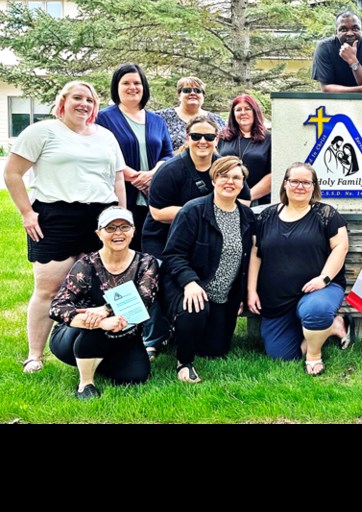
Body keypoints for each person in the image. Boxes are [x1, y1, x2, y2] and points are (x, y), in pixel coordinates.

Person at [4, 81, 125, 375]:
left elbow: (117, 178)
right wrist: (26, 213)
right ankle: (35, 355)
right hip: (56, 216)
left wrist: (122, 217)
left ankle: (113, 346)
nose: (84, 104)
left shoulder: (106, 136)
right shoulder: (42, 132)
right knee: (47, 288)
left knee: (108, 287)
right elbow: (12, 173)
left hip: (102, 215)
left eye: (89, 100)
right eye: (77, 98)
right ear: (63, 101)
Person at [140, 114, 251, 359]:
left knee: (214, 348)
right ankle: (154, 338)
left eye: (209, 137)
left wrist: (215, 211)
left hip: (209, 240)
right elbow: (157, 212)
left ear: (217, 139)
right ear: (187, 138)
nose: (203, 141)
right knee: (158, 276)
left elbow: (244, 200)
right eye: (197, 136)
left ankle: (197, 320)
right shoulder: (170, 170)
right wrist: (199, 213)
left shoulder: (225, 166)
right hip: (163, 238)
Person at [247, 163, 353, 375]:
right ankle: (331, 327)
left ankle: (314, 355)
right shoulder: (266, 217)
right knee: (281, 355)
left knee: (315, 311)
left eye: (306, 182)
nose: (300, 186)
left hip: (319, 289)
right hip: (277, 299)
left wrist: (324, 278)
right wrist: (251, 290)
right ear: (285, 184)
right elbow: (256, 253)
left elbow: (341, 246)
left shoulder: (326, 214)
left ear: (314, 187)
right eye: (294, 181)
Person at [48, 207, 159, 399]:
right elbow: (57, 306)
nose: (118, 233)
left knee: (135, 377)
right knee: (96, 327)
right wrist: (98, 320)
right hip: (76, 333)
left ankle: (97, 359)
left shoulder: (146, 262)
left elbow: (144, 300)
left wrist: (106, 310)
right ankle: (85, 383)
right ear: (99, 233)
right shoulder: (86, 265)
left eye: (124, 227)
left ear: (133, 231)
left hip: (125, 334)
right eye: (110, 228)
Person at [162, 156, 255, 383]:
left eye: (236, 177)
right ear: (214, 179)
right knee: (194, 309)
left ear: (242, 184)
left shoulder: (247, 217)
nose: (229, 182)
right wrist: (190, 283)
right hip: (190, 286)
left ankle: (179, 333)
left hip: (223, 296)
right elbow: (173, 255)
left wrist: (241, 296)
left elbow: (247, 260)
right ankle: (183, 362)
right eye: (223, 176)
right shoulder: (193, 211)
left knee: (215, 350)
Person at [96, 63, 175, 250]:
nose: (132, 87)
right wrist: (135, 177)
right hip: (121, 196)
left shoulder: (157, 120)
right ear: (116, 87)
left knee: (152, 251)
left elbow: (168, 154)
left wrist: (152, 175)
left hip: (154, 198)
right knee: (123, 250)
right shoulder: (104, 118)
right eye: (126, 83)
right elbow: (101, 154)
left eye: (137, 83)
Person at [218, 94, 272, 206]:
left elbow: (273, 174)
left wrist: (247, 197)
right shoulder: (223, 138)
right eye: (238, 110)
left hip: (258, 201)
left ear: (255, 112)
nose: (243, 113)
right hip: (225, 200)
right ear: (233, 114)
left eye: (247, 109)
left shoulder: (269, 139)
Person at [311, 12, 362, 93]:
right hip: (335, 101)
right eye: (343, 29)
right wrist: (359, 89)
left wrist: (353, 61)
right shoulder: (325, 48)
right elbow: (326, 88)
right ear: (336, 32)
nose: (350, 33)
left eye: (355, 29)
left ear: (361, 30)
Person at [158, 76, 226, 151]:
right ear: (179, 95)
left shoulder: (218, 120)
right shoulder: (161, 117)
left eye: (198, 91)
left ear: (203, 96)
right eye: (187, 90)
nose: (193, 93)